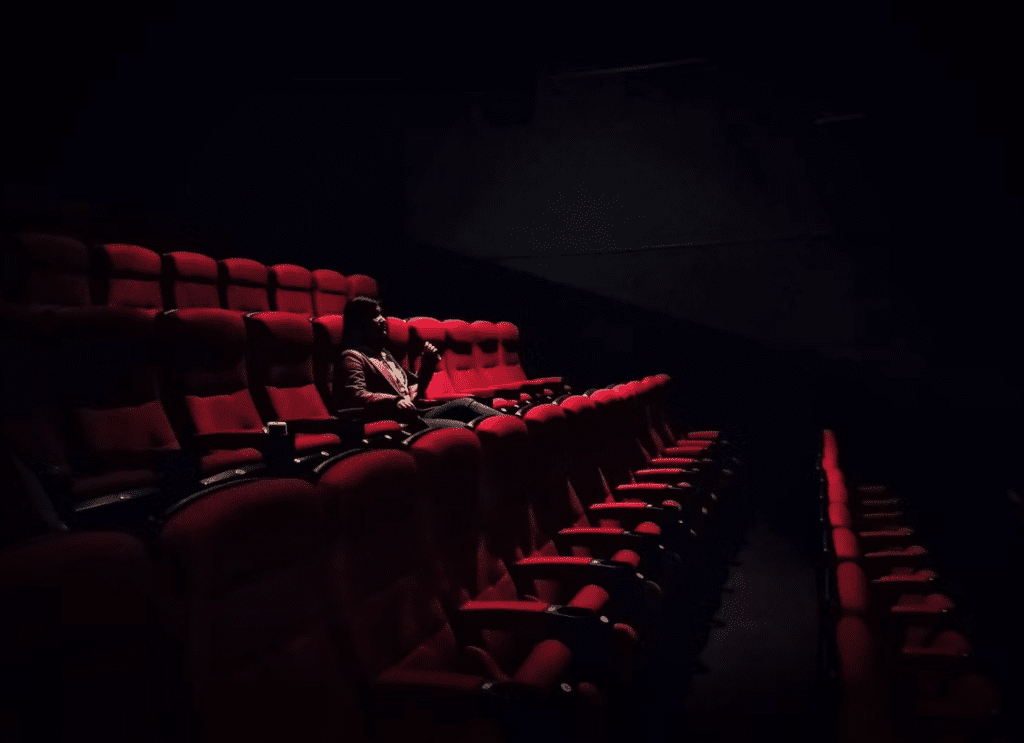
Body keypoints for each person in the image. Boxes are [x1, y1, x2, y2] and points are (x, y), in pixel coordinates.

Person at [338, 296, 502, 431]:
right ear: (359, 323)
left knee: (466, 404)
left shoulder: (384, 354)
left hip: (415, 414)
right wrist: (394, 400)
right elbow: (355, 395)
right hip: (396, 421)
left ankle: (511, 425)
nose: (382, 320)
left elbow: (417, 388)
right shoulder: (353, 356)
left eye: (381, 314)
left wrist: (428, 365)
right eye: (374, 316)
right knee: (463, 429)